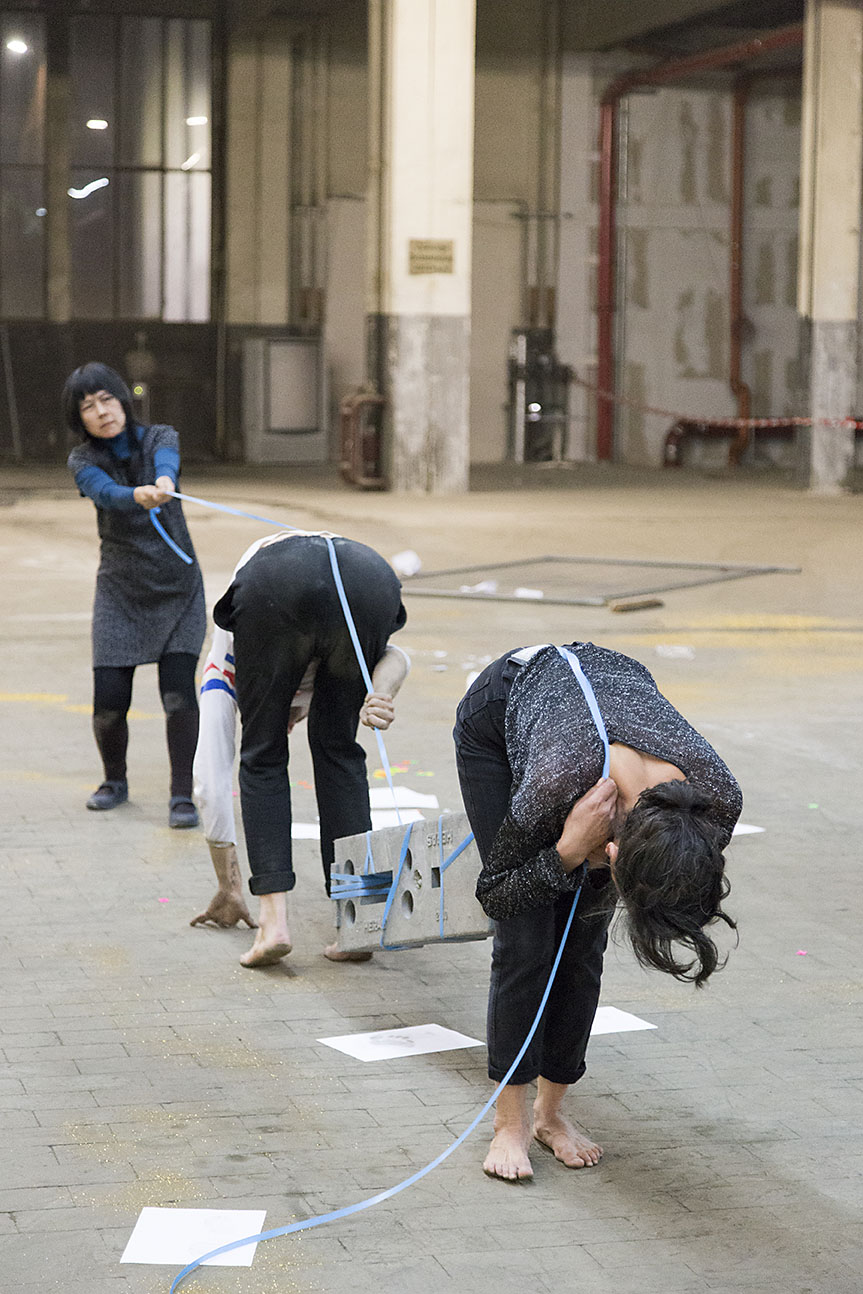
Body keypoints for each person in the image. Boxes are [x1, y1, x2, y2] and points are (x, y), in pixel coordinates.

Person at [453, 641, 742, 1182]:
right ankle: (510, 1123)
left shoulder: (718, 798)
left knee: (584, 944)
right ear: (612, 848)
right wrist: (567, 851)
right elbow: (497, 894)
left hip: (606, 694)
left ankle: (551, 1115)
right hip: (505, 706)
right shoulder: (556, 782)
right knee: (526, 941)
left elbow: (680, 881)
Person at [190, 530, 410, 967]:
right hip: (369, 576)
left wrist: (229, 883)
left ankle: (273, 926)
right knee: (338, 751)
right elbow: (397, 654)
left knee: (263, 757)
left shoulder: (226, 664)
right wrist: (380, 690)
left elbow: (209, 778)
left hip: (279, 586)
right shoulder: (253, 651)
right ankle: (357, 925)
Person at [65, 362, 206, 828]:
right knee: (109, 699)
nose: (102, 411)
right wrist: (136, 497)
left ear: (123, 400)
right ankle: (114, 781)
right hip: (120, 591)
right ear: (79, 418)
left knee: (178, 696)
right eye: (88, 406)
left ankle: (182, 794)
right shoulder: (82, 461)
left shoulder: (160, 436)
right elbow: (105, 493)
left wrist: (164, 483)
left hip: (178, 587)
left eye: (107, 399)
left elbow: (167, 461)